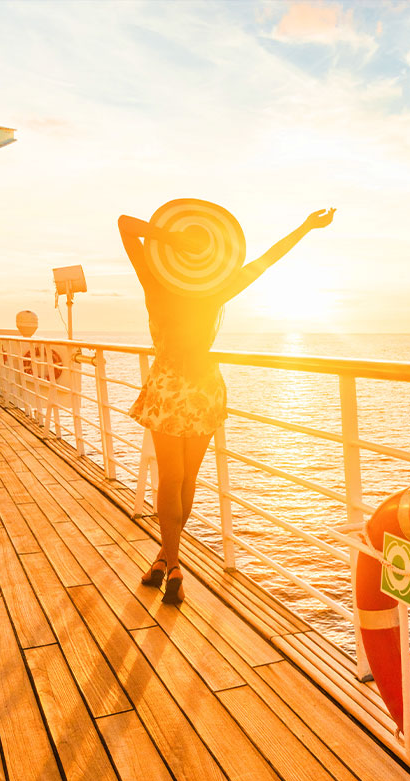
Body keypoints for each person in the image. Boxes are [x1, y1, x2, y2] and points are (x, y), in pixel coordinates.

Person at [119, 205, 335, 604]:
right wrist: (305, 226)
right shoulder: (216, 291)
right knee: (186, 481)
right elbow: (267, 261)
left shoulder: (156, 286)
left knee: (170, 478)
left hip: (169, 384)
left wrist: (172, 238)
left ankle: (175, 562)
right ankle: (166, 561)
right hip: (204, 385)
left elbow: (125, 225)